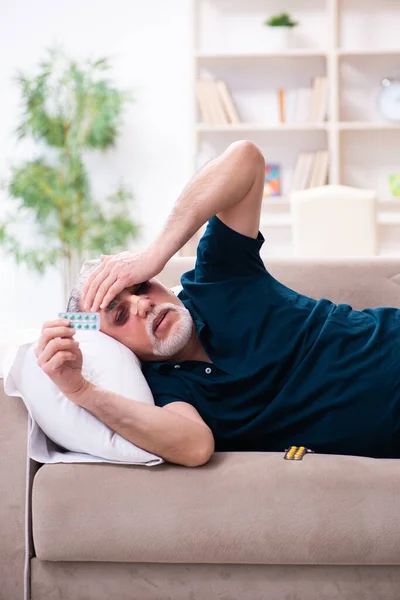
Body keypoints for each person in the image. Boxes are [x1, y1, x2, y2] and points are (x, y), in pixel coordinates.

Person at [35, 141, 400, 467]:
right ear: (113, 344)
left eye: (141, 286)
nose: (142, 304)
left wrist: (155, 253)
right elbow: (194, 447)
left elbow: (245, 159)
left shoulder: (217, 277)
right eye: (120, 313)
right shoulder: (165, 391)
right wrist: (81, 391)